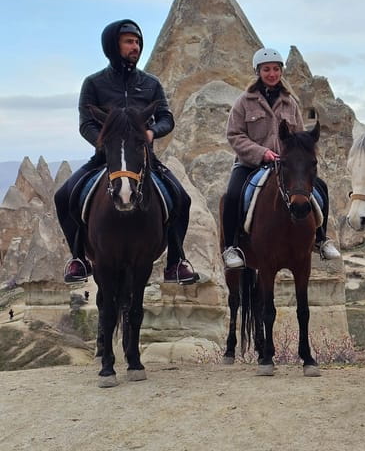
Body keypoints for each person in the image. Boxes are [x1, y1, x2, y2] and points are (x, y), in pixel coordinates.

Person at [53, 19, 198, 284]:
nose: (136, 47)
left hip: (143, 160)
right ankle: (78, 258)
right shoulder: (94, 83)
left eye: (138, 42)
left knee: (182, 199)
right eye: (129, 41)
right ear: (113, 45)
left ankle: (175, 261)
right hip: (104, 159)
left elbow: (166, 117)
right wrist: (105, 143)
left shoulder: (151, 83)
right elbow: (86, 124)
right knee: (63, 196)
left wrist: (152, 132)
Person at [220, 47, 340, 268]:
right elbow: (234, 134)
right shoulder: (244, 102)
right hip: (250, 164)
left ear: (281, 71)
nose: (272, 74)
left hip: (286, 165)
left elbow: (300, 136)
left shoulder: (290, 102)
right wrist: (261, 153)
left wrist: (297, 154)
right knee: (232, 195)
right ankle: (231, 247)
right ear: (258, 71)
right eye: (266, 69)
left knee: (320, 188)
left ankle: (321, 238)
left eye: (276, 69)